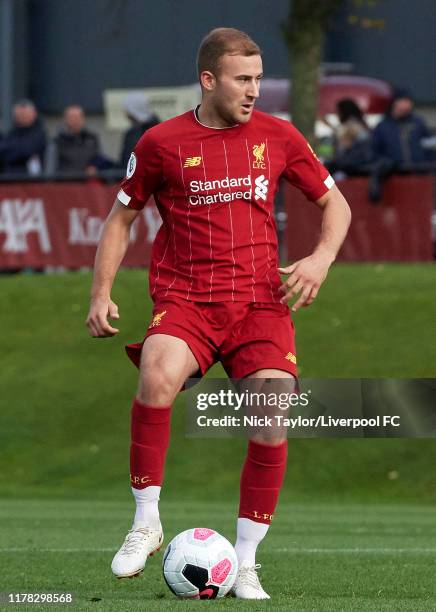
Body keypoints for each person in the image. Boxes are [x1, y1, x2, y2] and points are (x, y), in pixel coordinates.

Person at [86, 27, 351, 600]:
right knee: (156, 373)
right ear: (209, 80)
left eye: (258, 78)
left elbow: (336, 202)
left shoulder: (279, 136)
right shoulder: (161, 142)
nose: (255, 90)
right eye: (243, 79)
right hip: (187, 298)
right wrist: (100, 292)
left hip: (260, 303)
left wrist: (322, 259)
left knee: (271, 413)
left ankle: (247, 561)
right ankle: (145, 520)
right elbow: (120, 219)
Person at [369, 89, 434, 201]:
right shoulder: (383, 126)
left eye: (408, 101)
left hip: (420, 178)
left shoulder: (418, 123)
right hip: (393, 180)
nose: (407, 105)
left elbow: (428, 146)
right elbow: (374, 151)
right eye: (404, 101)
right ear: (395, 103)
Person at [325, 99, 372, 177]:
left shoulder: (351, 126)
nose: (337, 114)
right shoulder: (361, 124)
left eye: (338, 111)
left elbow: (342, 146)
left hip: (350, 167)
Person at [0, 100, 46, 175]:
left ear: (34, 114)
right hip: (7, 177)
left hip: (28, 179)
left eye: (25, 115)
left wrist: (9, 153)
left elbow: (27, 150)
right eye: (19, 115)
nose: (22, 117)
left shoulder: (39, 134)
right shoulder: (11, 133)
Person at [53, 105, 102, 174]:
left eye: (78, 117)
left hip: (87, 181)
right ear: (65, 119)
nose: (75, 120)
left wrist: (94, 166)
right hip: (66, 182)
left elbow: (98, 158)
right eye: (71, 117)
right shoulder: (57, 141)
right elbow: (51, 166)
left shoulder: (92, 138)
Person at [120, 93, 160, 169]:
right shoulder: (159, 127)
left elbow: (127, 163)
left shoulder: (133, 134)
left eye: (127, 110)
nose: (125, 113)